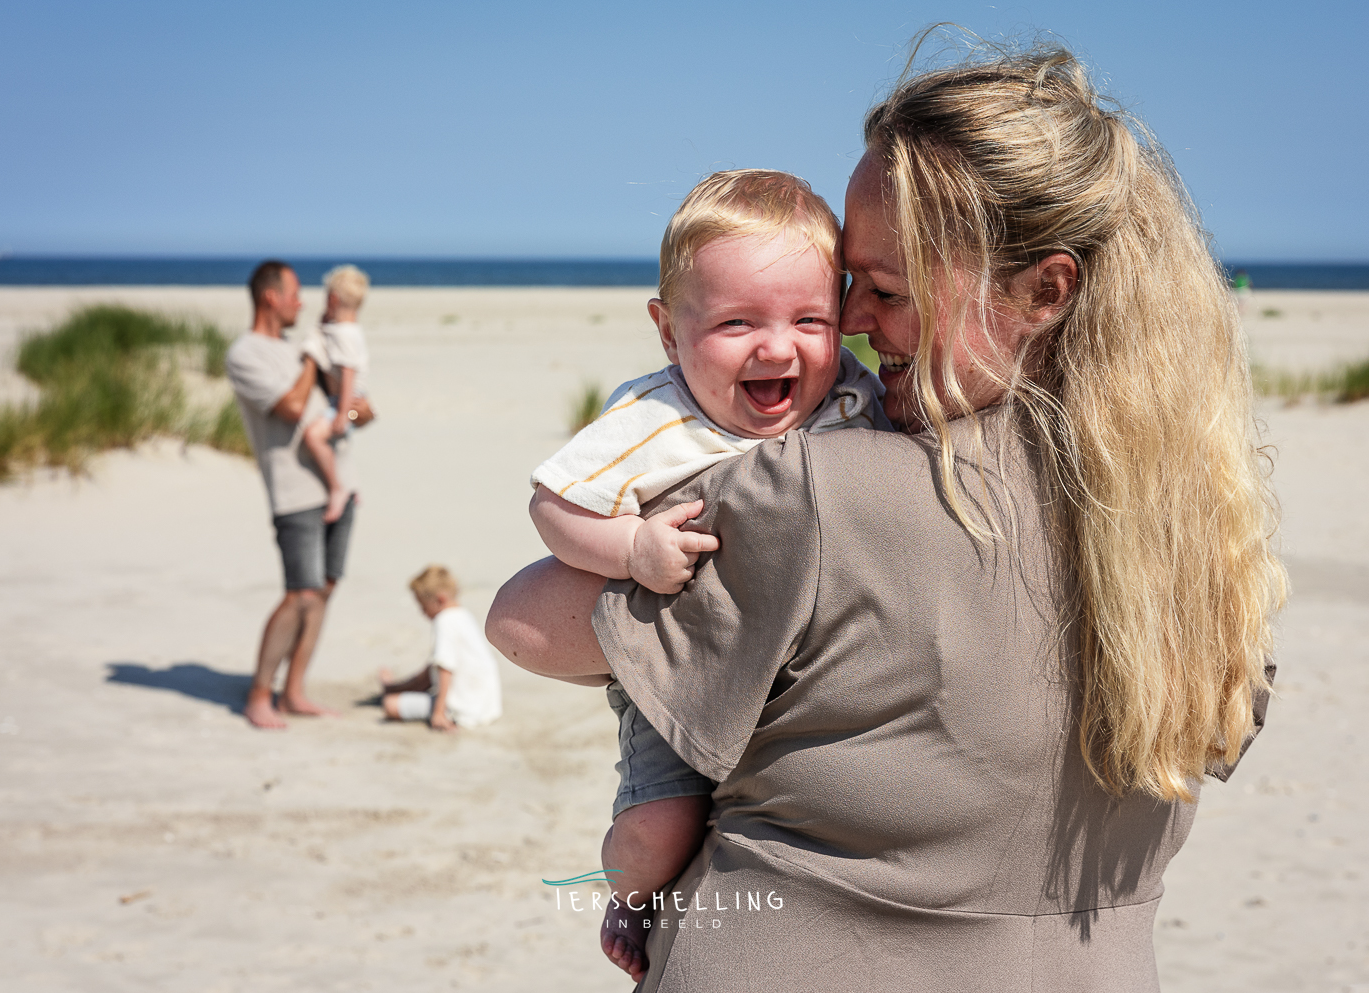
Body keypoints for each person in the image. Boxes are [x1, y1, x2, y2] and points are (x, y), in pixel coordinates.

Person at [486, 40, 1285, 992]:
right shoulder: (1193, 535)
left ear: (1045, 290)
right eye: (850, 286)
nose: (857, 322)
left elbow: (524, 623)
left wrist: (632, 543)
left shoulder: (817, 493)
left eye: (888, 290)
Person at [527, 169, 888, 977]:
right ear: (668, 332)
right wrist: (629, 549)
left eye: (810, 318)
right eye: (735, 322)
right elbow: (552, 503)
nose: (777, 346)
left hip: (789, 679)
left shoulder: (854, 398)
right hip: (678, 669)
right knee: (660, 831)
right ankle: (629, 896)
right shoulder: (657, 416)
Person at [225, 260, 373, 730]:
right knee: (299, 594)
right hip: (295, 492)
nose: (301, 301)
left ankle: (294, 691)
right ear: (270, 297)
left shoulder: (301, 348)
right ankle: (258, 694)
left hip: (340, 486)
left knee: (324, 591)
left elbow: (356, 411)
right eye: (293, 293)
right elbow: (291, 407)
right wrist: (312, 357)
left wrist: (350, 413)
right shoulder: (246, 354)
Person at [379, 566, 503, 731]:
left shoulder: (444, 621)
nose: (421, 612)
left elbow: (445, 667)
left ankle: (398, 692)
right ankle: (393, 687)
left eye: (423, 605)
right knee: (427, 674)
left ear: (440, 599)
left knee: (390, 705)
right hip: (487, 705)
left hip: (463, 708)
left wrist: (438, 713)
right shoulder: (463, 615)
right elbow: (431, 670)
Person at [301, 264, 374, 524]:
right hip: (346, 402)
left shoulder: (344, 334)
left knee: (314, 437)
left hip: (346, 402)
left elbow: (348, 373)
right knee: (335, 445)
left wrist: (344, 413)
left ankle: (337, 487)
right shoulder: (347, 331)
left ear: (332, 299)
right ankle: (349, 488)